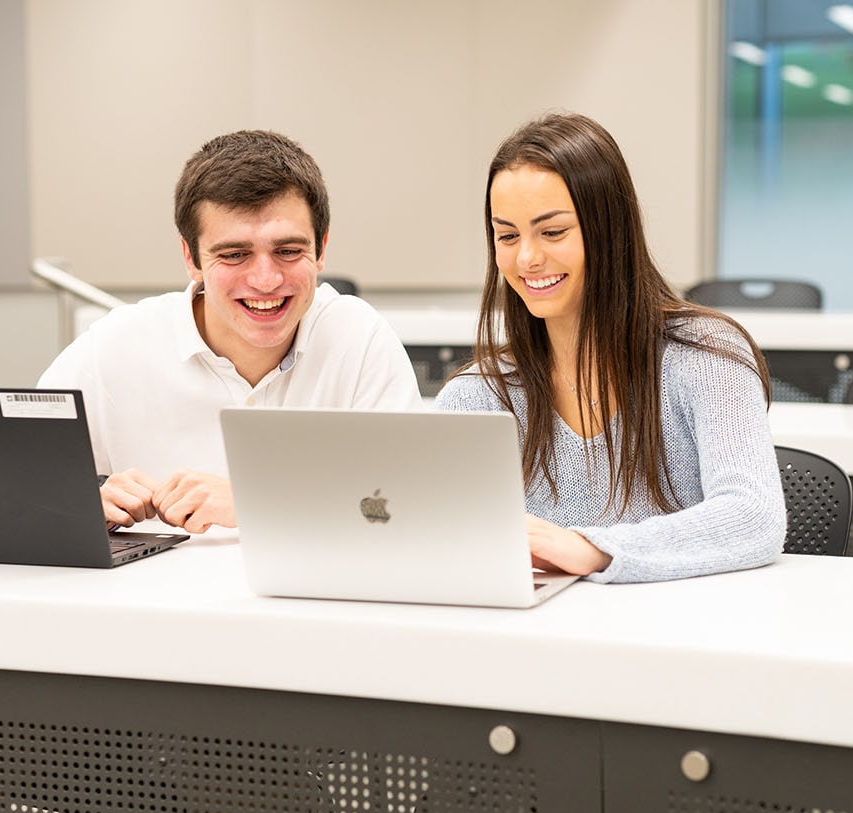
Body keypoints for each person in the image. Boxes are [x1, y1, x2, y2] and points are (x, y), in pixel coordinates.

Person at [435, 112, 785, 583]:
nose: (527, 258)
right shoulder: (475, 396)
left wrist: (595, 549)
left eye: (552, 232)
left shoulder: (706, 357)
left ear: (609, 229)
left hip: (681, 626)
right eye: (508, 236)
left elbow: (754, 516)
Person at [39, 130, 421, 533]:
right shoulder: (113, 347)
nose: (266, 279)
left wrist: (256, 502)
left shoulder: (360, 339)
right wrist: (74, 504)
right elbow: (19, 490)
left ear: (321, 249)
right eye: (235, 254)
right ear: (191, 258)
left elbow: (411, 508)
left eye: (288, 251)